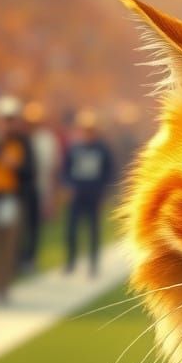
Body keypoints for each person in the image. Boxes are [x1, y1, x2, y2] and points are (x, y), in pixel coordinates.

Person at [0, 96, 35, 302]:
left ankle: (3, 286)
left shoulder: (23, 142)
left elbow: (30, 172)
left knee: (8, 245)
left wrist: (15, 166)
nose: (7, 123)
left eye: (11, 119)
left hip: (11, 198)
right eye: (4, 119)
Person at [63, 109, 114, 277]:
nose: (87, 133)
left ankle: (93, 263)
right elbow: (66, 169)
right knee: (72, 229)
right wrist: (68, 185)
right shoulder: (75, 148)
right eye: (85, 130)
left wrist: (104, 191)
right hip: (77, 194)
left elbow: (109, 172)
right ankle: (70, 262)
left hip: (94, 194)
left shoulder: (102, 149)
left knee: (93, 230)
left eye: (90, 130)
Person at [20, 100, 60, 272]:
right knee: (22, 225)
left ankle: (31, 258)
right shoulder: (23, 139)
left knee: (34, 226)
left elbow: (51, 168)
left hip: (40, 188)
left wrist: (50, 196)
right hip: (22, 189)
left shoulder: (47, 139)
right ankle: (20, 258)